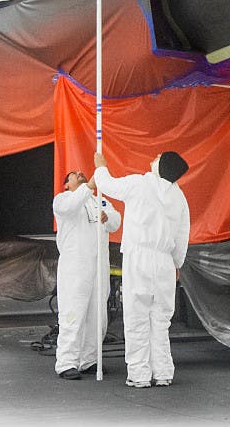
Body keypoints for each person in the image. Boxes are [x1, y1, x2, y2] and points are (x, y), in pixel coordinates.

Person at [91, 150, 191, 388]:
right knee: (160, 320)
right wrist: (177, 263)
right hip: (165, 261)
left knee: (137, 317)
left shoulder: (140, 184)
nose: (153, 158)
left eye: (158, 157)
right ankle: (163, 371)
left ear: (162, 166)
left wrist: (100, 166)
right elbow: (182, 234)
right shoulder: (179, 197)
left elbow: (107, 185)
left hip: (140, 257)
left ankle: (139, 374)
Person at [51, 170, 120, 380]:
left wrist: (108, 218)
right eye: (74, 174)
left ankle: (89, 359)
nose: (79, 173)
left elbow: (116, 222)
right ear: (66, 184)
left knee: (97, 314)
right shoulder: (62, 200)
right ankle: (66, 362)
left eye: (81, 173)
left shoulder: (100, 201)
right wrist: (88, 186)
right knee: (74, 312)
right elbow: (71, 207)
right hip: (75, 265)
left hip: (98, 264)